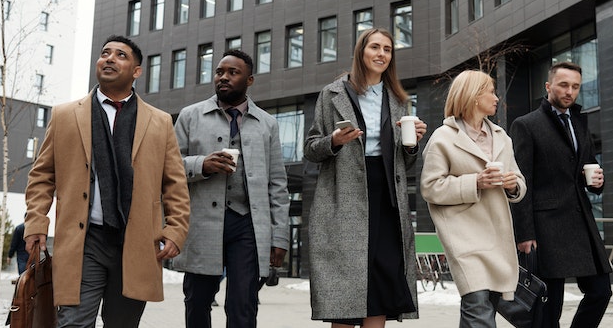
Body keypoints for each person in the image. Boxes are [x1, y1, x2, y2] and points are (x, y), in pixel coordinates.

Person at [23, 35, 191, 326]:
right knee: (74, 322)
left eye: (121, 55)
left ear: (137, 71)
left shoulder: (159, 122)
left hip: (137, 242)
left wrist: (176, 229)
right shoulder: (65, 116)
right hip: (83, 240)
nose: (110, 59)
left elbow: (174, 183)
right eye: (105, 53)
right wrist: (36, 221)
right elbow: (42, 175)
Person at [305, 27, 425, 327]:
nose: (381, 54)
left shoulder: (398, 99)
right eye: (375, 47)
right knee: (345, 289)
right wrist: (333, 140)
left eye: (387, 49)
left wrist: (411, 145)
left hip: (386, 198)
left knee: (382, 281)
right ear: (361, 51)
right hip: (343, 197)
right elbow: (310, 149)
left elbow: (404, 164)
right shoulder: (332, 94)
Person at [172, 49, 289, 328]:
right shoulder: (190, 116)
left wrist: (280, 237)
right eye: (219, 72)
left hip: (247, 224)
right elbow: (168, 167)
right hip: (202, 223)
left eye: (232, 73)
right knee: (197, 300)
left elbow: (277, 184)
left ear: (249, 80)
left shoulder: (267, 124)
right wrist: (202, 164)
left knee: (243, 305)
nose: (223, 77)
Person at [508, 61, 612, 327]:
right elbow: (522, 184)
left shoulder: (579, 123)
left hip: (581, 224)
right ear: (548, 86)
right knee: (549, 308)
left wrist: (597, 182)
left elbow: (587, 167)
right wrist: (524, 233)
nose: (570, 91)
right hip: (546, 229)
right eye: (564, 85)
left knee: (601, 291)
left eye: (575, 86)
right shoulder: (526, 125)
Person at [420, 70, 526, 327]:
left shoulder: (502, 137)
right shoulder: (443, 138)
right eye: (490, 91)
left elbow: (519, 182)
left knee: (485, 306)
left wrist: (513, 185)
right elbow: (430, 187)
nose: (496, 97)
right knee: (478, 306)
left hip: (497, 235)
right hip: (463, 236)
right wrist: (475, 182)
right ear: (473, 95)